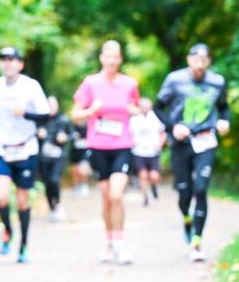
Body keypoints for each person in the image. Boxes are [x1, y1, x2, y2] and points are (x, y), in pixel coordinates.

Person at [155, 43, 230, 262]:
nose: (199, 65)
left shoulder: (217, 82)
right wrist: (173, 127)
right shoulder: (174, 80)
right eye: (195, 60)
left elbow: (224, 107)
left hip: (206, 140)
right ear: (189, 60)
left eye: (203, 61)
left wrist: (225, 121)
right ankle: (187, 219)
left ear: (209, 62)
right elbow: (158, 108)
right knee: (185, 193)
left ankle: (197, 243)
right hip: (181, 142)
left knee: (201, 188)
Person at [72, 40, 141, 265]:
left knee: (116, 194)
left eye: (116, 56)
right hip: (98, 147)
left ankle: (120, 245)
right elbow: (75, 114)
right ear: (101, 58)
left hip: (122, 146)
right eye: (108, 56)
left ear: (120, 59)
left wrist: (134, 110)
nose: (111, 60)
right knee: (106, 198)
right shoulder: (90, 83)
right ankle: (110, 243)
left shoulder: (130, 84)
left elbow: (136, 107)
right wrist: (90, 111)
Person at [0, 46, 50, 264]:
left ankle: (24, 244)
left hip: (25, 147)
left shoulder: (31, 86)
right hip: (1, 147)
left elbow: (45, 115)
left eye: (11, 59)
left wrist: (26, 114)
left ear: (20, 64)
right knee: (0, 196)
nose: (7, 63)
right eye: (4, 59)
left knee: (22, 200)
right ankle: (8, 231)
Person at [37, 96, 73, 221]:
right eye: (48, 105)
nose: (51, 108)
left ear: (57, 106)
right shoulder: (40, 121)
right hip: (43, 157)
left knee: (54, 179)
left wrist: (65, 138)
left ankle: (58, 205)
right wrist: (38, 134)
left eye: (53, 105)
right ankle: (51, 207)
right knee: (47, 182)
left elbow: (73, 134)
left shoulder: (64, 120)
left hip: (59, 156)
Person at [130, 97, 166, 206]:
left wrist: (160, 144)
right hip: (139, 152)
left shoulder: (156, 118)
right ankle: (145, 198)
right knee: (143, 175)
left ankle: (154, 185)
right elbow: (129, 134)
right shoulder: (134, 119)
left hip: (153, 152)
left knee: (154, 176)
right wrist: (132, 143)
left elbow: (163, 133)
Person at [69, 117, 92, 197]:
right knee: (74, 170)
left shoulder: (88, 126)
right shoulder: (72, 126)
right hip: (75, 151)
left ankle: (84, 185)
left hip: (85, 150)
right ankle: (76, 187)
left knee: (83, 169)